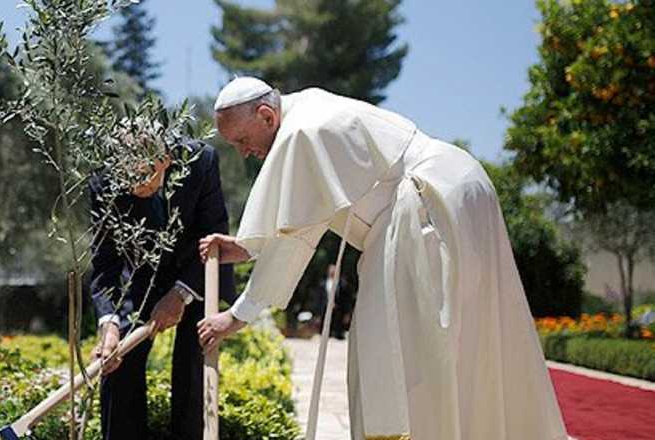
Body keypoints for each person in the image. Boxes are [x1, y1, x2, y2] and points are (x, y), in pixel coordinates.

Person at [197, 77, 566, 440]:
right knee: (467, 340)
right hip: (457, 188)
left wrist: (237, 315)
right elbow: (304, 218)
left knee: (411, 355)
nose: (244, 153)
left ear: (266, 115)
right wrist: (246, 248)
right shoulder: (306, 109)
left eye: (243, 141)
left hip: (428, 206)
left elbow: (294, 239)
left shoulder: (300, 133)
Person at [88, 136, 235, 440]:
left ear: (165, 160)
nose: (133, 188)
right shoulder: (102, 181)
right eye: (125, 179)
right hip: (141, 273)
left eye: (141, 177)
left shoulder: (201, 162)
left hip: (197, 267)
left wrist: (180, 293)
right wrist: (110, 323)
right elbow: (105, 261)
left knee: (193, 364)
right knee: (118, 363)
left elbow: (214, 232)